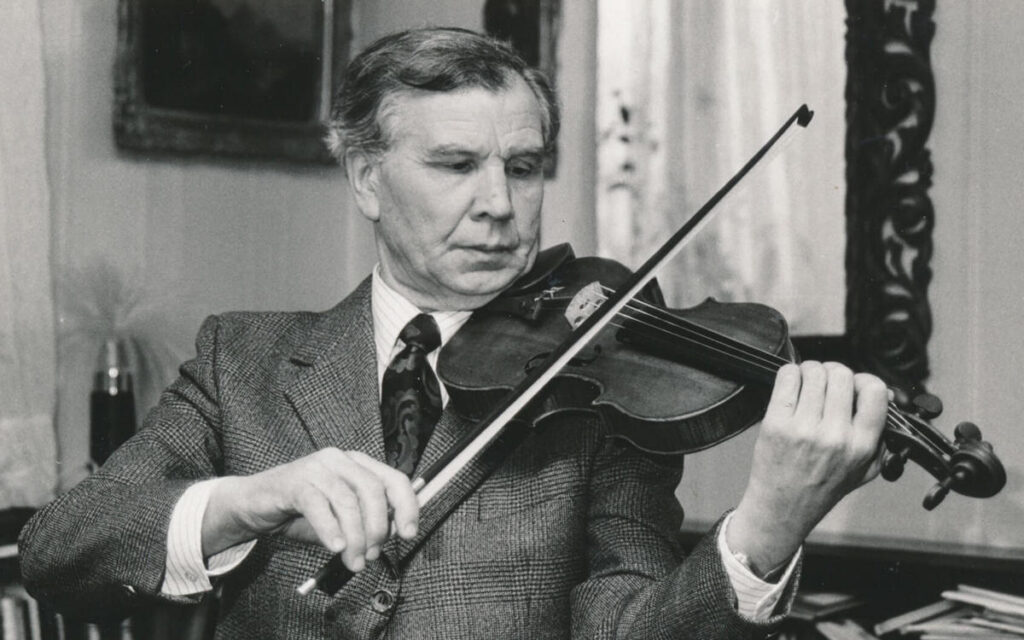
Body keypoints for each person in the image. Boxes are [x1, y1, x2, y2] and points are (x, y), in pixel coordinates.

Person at [19, 27, 889, 639]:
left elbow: (631, 631)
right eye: (456, 165)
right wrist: (248, 499)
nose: (500, 205)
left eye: (523, 166)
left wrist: (766, 527)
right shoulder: (239, 360)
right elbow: (60, 551)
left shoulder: (597, 387)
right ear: (366, 179)